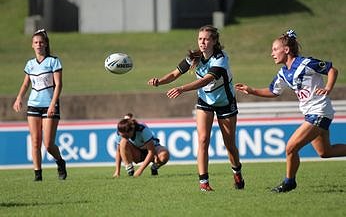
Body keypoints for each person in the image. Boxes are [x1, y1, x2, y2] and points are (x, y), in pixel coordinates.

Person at [235, 29, 346, 193]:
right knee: (325, 152)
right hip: (311, 114)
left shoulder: (305, 63)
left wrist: (328, 88)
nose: (272, 54)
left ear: (286, 50)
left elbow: (331, 70)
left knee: (291, 148)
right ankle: (290, 181)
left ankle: (289, 182)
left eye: (274, 49)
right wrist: (252, 90)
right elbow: (273, 91)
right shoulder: (283, 73)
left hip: (319, 111)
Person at [148, 25, 245, 191]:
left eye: (206, 39)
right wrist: (160, 81)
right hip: (205, 101)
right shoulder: (194, 57)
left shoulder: (220, 59)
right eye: (200, 39)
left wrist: (181, 89)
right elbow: (174, 74)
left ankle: (237, 172)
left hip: (225, 103)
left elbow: (205, 80)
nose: (202, 42)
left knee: (229, 144)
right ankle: (204, 183)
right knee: (202, 140)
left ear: (214, 41)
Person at [12, 29, 67, 181]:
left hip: (49, 105)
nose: (38, 45)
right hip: (33, 105)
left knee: (48, 144)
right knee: (35, 141)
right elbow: (25, 84)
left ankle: (60, 162)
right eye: (36, 42)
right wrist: (19, 98)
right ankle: (38, 175)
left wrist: (52, 104)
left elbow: (59, 85)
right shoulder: (30, 64)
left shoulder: (53, 61)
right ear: (32, 45)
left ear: (46, 44)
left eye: (41, 42)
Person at [113, 113, 170, 178]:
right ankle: (130, 170)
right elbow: (118, 151)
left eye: (126, 136)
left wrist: (140, 170)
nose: (124, 137)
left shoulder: (143, 130)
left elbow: (151, 151)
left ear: (132, 130)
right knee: (123, 142)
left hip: (153, 150)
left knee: (164, 155)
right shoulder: (120, 132)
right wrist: (117, 171)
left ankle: (154, 167)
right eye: (122, 136)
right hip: (137, 153)